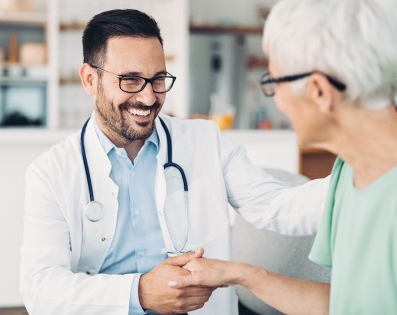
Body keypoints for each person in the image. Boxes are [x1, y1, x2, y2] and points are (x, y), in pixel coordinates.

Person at [20, 8, 329, 315]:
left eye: (158, 79)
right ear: (90, 79)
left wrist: (364, 173)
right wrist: (140, 293)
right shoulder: (51, 172)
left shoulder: (205, 141)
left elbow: (279, 206)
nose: (149, 97)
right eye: (130, 80)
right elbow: (41, 289)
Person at [168, 0, 397, 314]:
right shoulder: (349, 174)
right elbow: (343, 303)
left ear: (319, 91)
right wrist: (241, 274)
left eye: (274, 82)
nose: (277, 102)